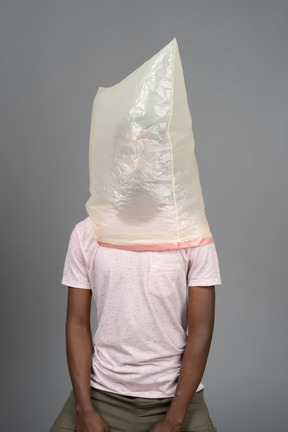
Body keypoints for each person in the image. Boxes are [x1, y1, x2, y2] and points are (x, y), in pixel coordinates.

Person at [50, 39, 221, 432]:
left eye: (149, 153)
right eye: (128, 152)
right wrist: (84, 409)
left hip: (178, 399)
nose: (138, 163)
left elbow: (202, 329)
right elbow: (77, 323)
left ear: (164, 162)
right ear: (113, 162)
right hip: (100, 394)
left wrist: (175, 419)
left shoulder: (192, 234)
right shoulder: (88, 232)